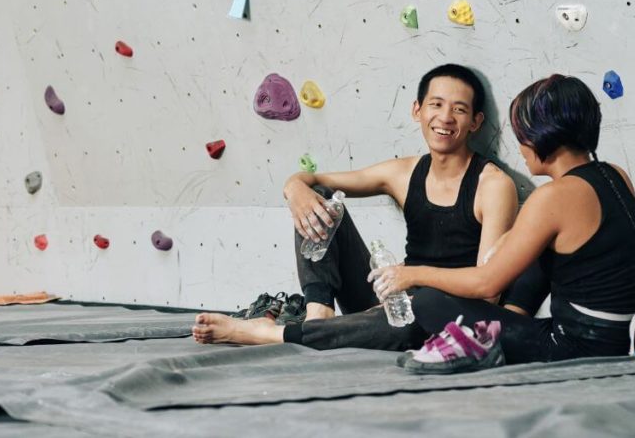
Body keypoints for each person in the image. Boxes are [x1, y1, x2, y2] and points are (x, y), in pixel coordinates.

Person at [192, 64, 519, 350]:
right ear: (417, 110)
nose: (445, 117)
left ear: (476, 122)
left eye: (459, 110)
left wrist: (413, 279)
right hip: (392, 298)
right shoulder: (401, 173)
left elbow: (487, 292)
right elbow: (313, 179)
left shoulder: (493, 186)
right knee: (317, 194)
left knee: (411, 324)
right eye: (436, 104)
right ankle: (319, 312)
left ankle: (273, 334)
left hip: (441, 313)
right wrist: (294, 187)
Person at [369, 74, 635, 370]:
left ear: (541, 134)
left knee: (427, 302)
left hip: (583, 347)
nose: (520, 146)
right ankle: (501, 329)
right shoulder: (614, 175)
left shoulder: (554, 197)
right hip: (634, 334)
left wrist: (412, 274)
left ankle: (489, 343)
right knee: (534, 254)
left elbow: (486, 283)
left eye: (521, 133)